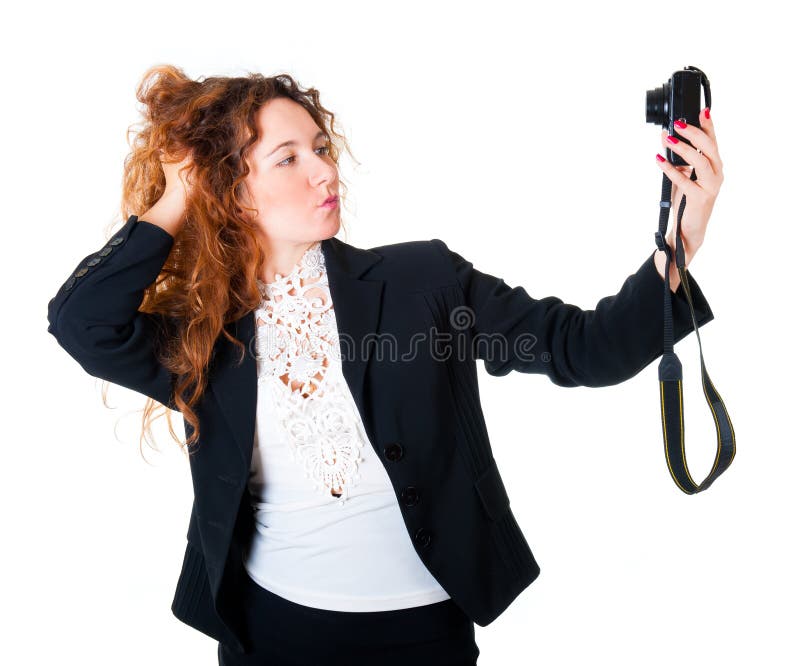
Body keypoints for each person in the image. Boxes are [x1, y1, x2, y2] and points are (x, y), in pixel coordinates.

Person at [46, 65, 723, 666]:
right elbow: (82, 324)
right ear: (233, 190)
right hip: (268, 634)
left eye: (320, 148)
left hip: (424, 635)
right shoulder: (206, 335)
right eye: (287, 159)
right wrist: (175, 199)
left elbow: (587, 349)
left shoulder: (422, 281)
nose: (324, 171)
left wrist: (680, 241)